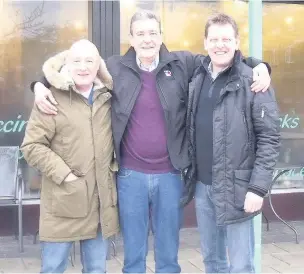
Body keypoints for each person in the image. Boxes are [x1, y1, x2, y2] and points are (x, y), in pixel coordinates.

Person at [29, 10, 272, 273]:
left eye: (152, 33)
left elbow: (222, 57)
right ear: (131, 38)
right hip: (129, 176)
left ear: (161, 36)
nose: (147, 39)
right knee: (133, 256)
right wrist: (40, 84)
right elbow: (75, 66)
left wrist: (259, 65)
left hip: (170, 175)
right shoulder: (113, 67)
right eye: (141, 33)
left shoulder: (182, 63)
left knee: (168, 256)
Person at [187, 13, 281, 273]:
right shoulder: (197, 78)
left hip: (239, 189)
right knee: (212, 262)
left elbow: (269, 139)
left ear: (237, 42)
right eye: (214, 39)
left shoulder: (254, 81)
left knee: (241, 265)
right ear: (205, 43)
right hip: (203, 187)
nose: (220, 45)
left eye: (226, 39)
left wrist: (258, 188)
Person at [21, 39, 119, 273]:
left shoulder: (109, 97)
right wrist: (65, 175)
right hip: (62, 203)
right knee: (53, 268)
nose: (83, 67)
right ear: (67, 63)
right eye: (76, 61)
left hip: (98, 204)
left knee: (97, 269)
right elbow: (32, 146)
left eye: (89, 61)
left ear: (99, 66)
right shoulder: (50, 98)